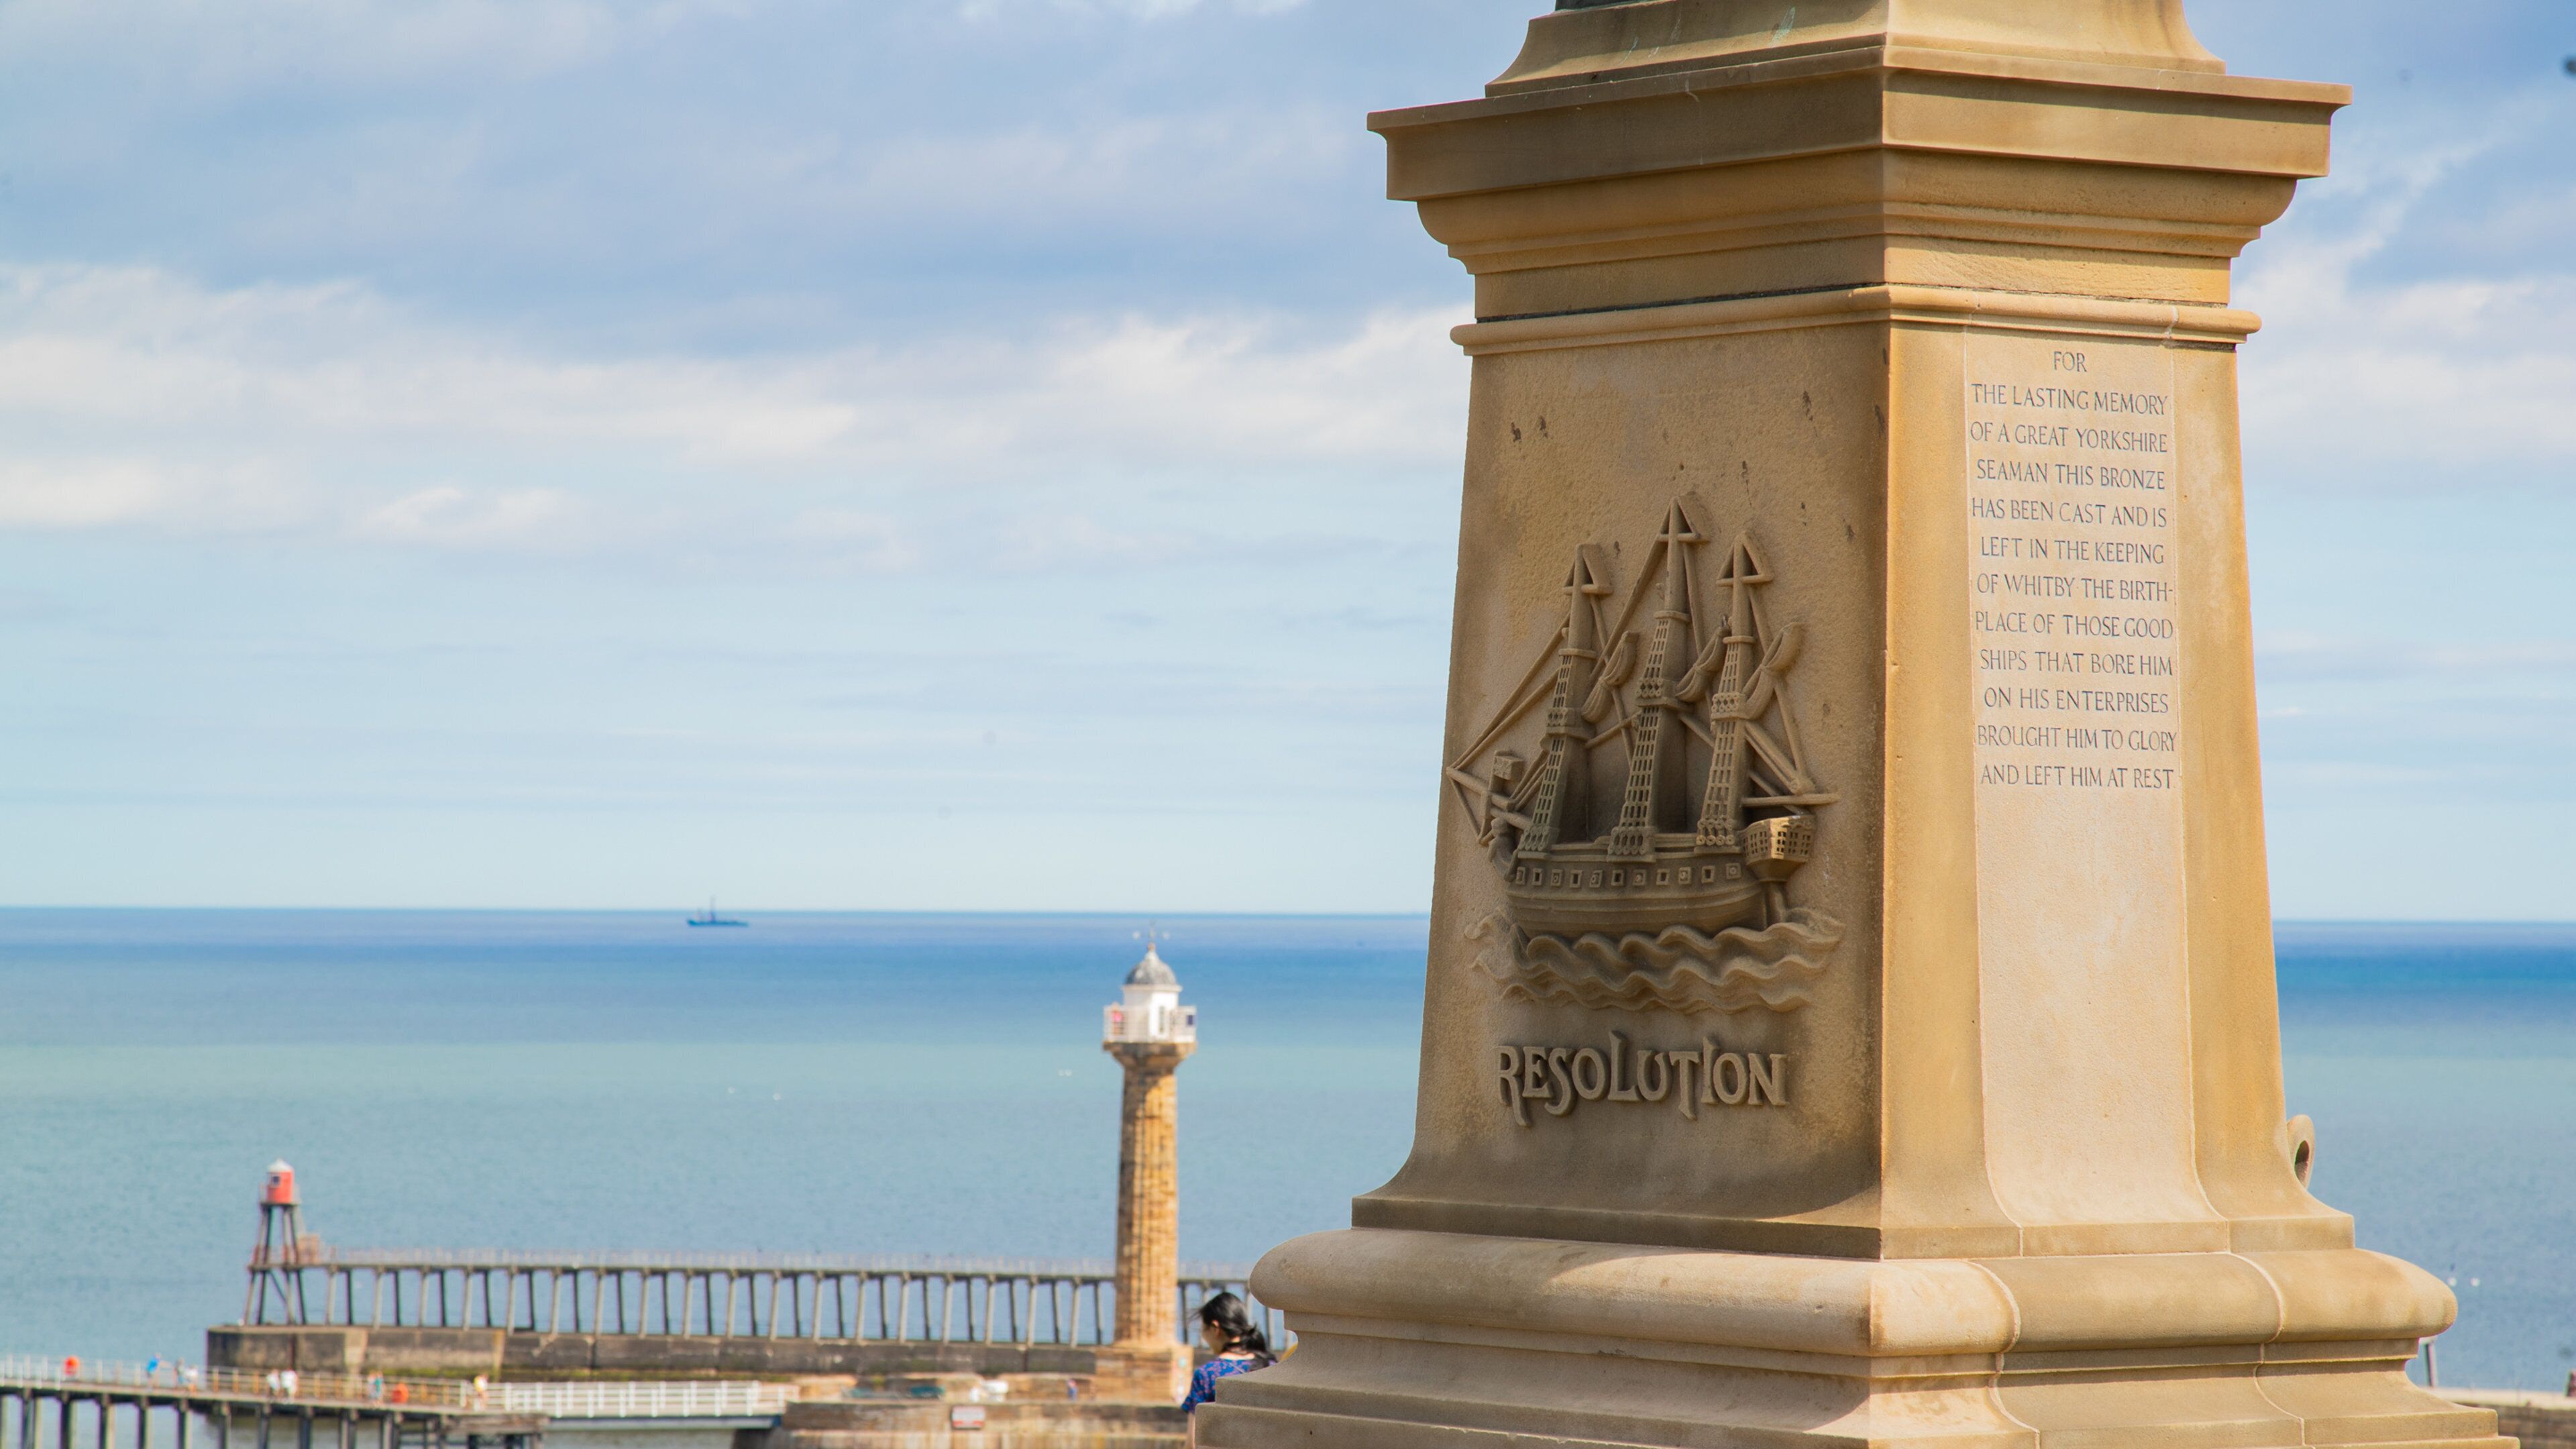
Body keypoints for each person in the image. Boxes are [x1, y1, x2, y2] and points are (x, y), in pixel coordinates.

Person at [1181, 1292, 1274, 1420]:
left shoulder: (1206, 1375)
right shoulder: (1271, 1366)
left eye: (1203, 1329)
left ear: (1215, 1328)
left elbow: (1193, 1439)